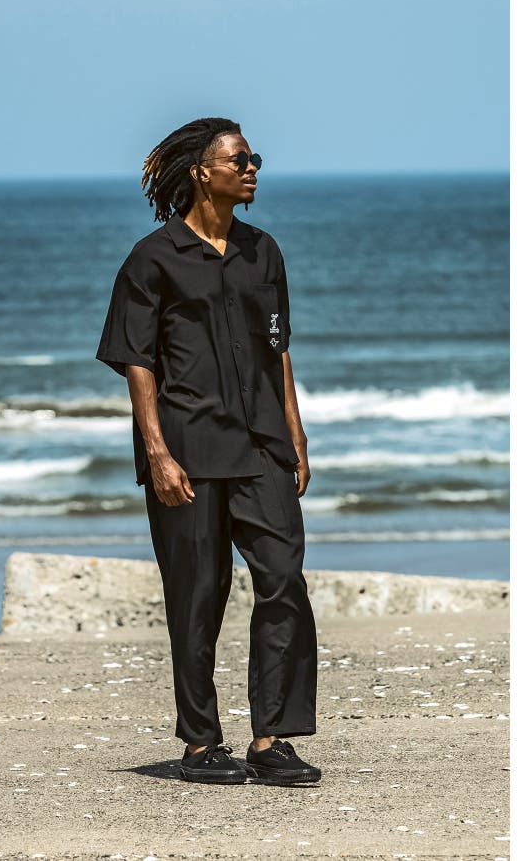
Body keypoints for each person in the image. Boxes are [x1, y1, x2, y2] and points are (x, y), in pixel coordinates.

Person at [95, 117, 320, 786]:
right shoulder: (152, 258)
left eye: (254, 160)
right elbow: (136, 361)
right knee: (197, 594)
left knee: (283, 578)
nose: (251, 169)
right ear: (201, 171)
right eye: (239, 159)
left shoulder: (263, 252)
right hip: (188, 446)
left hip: (263, 444)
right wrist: (157, 453)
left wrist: (296, 432)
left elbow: (278, 349)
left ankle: (273, 739)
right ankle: (200, 743)